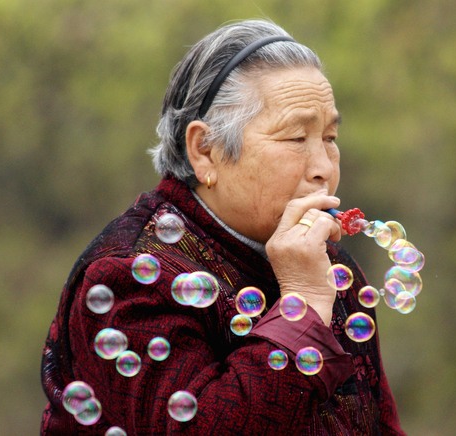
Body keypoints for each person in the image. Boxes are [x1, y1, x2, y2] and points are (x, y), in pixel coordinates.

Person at [41, 19, 405, 435]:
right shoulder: (131, 278)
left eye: (330, 137)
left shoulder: (327, 270)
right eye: (295, 139)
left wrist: (309, 291)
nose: (323, 168)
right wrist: (301, 306)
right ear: (206, 151)